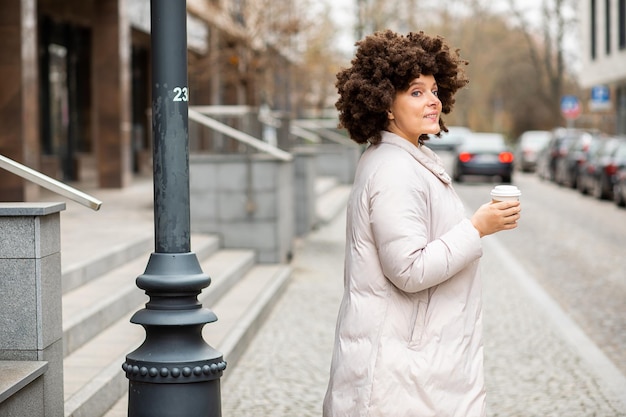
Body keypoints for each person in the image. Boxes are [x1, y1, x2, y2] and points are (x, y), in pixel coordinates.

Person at [322, 30, 521, 417]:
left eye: (433, 90)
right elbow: (409, 270)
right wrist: (477, 227)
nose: (433, 101)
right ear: (385, 105)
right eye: (416, 92)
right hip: (401, 373)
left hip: (415, 363)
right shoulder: (394, 169)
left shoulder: (406, 158)